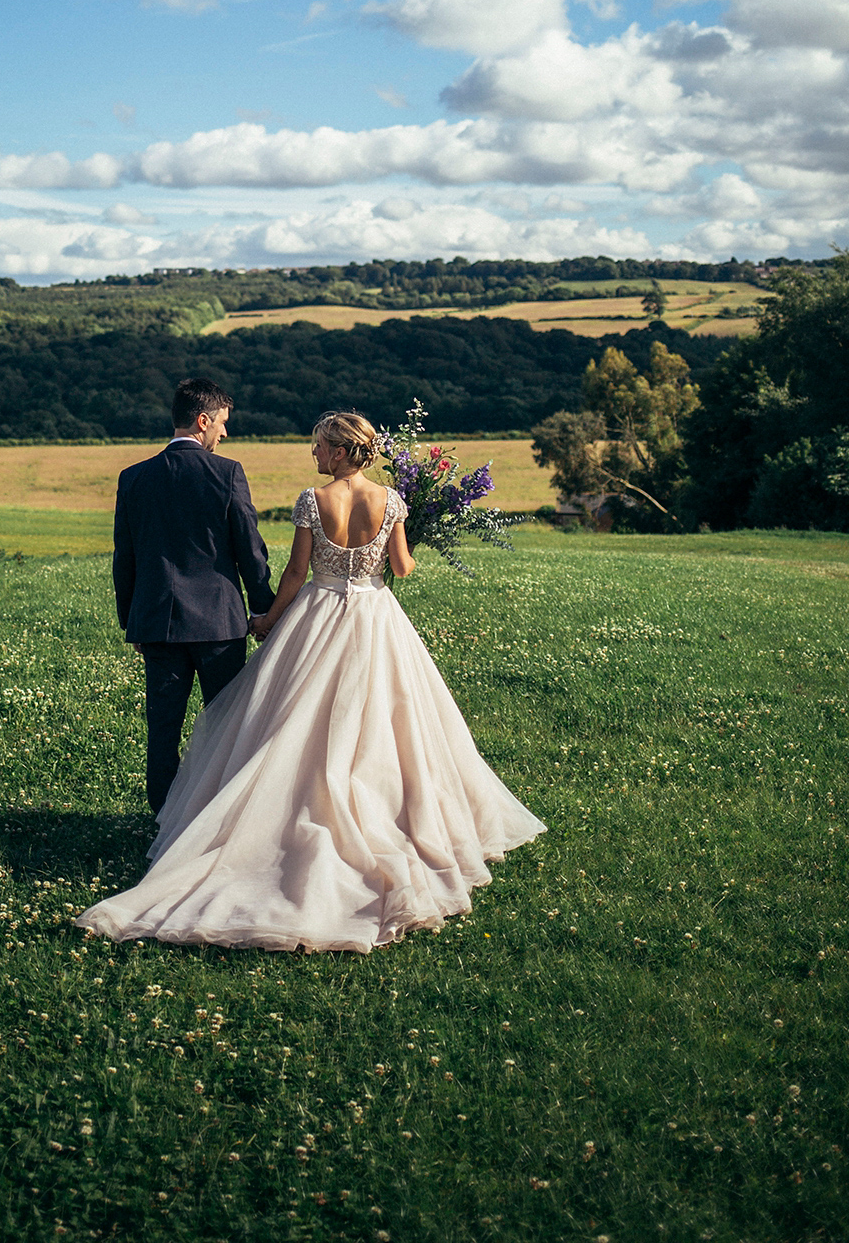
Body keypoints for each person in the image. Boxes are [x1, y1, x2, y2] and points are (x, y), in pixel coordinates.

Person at [79, 409, 545, 954]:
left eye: (321, 446)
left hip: (317, 613)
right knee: (386, 722)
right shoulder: (392, 500)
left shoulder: (312, 501)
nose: (314, 454)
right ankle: (382, 805)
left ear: (343, 451)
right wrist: (403, 541)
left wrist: (269, 620)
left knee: (291, 718)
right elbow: (400, 569)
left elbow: (296, 574)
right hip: (375, 619)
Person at [113, 376, 273, 814]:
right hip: (220, 626)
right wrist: (267, 608)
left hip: (157, 624)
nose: (225, 432)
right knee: (226, 731)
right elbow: (249, 550)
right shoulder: (227, 473)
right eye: (221, 423)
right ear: (202, 421)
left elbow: (123, 558)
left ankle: (164, 826)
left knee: (162, 732)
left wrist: (134, 621)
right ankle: (220, 820)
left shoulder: (133, 478)